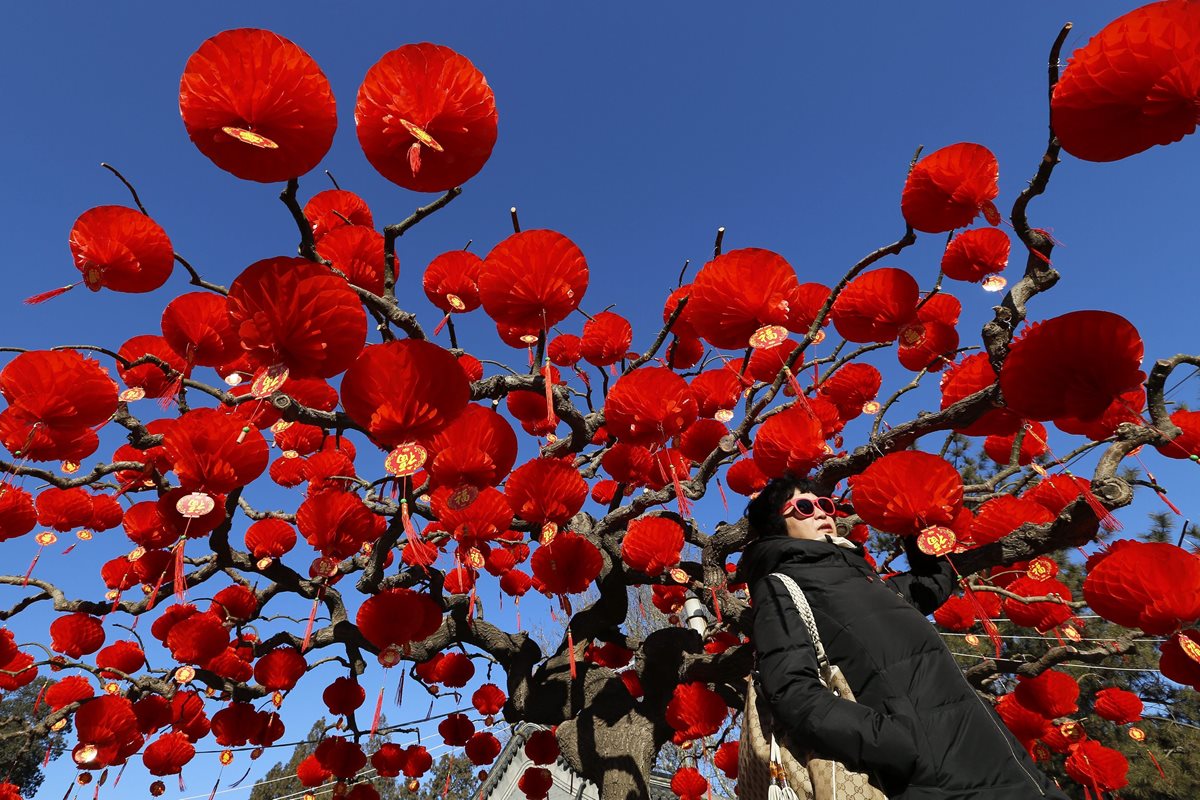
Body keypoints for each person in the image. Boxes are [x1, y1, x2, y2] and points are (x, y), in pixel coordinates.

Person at [741, 475, 1069, 800]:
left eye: (825, 504)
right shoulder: (780, 584)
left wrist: (914, 522)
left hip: (1000, 759)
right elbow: (791, 690)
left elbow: (930, 584)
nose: (822, 513)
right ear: (776, 524)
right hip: (931, 778)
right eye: (803, 506)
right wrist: (894, 743)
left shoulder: (868, 580)